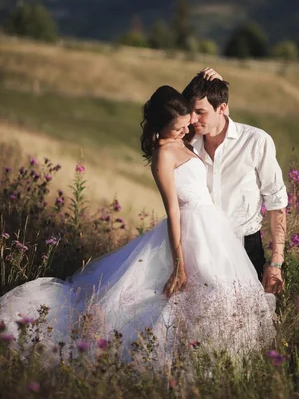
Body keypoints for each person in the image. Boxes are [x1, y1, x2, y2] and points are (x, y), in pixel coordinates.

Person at [0, 86, 276, 362]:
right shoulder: (162, 155)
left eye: (185, 125)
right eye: (177, 128)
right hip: (190, 230)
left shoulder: (184, 136)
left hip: (213, 229)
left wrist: (209, 80)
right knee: (186, 294)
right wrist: (179, 262)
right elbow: (173, 211)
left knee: (223, 290)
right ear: (160, 127)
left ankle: (226, 348)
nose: (184, 131)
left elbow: (208, 110)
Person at [182, 70, 288, 294]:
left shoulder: (256, 141)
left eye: (200, 112)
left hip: (246, 247)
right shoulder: (186, 142)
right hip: (199, 249)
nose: (193, 119)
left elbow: (276, 203)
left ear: (222, 108)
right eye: (190, 112)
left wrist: (276, 263)